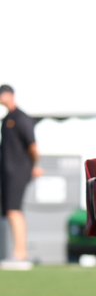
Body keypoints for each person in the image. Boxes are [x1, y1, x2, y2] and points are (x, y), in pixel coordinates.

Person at [0, 85, 43, 270]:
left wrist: (32, 167)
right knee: (11, 211)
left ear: (10, 94)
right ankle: (18, 252)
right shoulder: (6, 119)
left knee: (13, 210)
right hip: (7, 172)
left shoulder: (21, 118)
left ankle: (20, 253)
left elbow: (33, 147)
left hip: (18, 171)